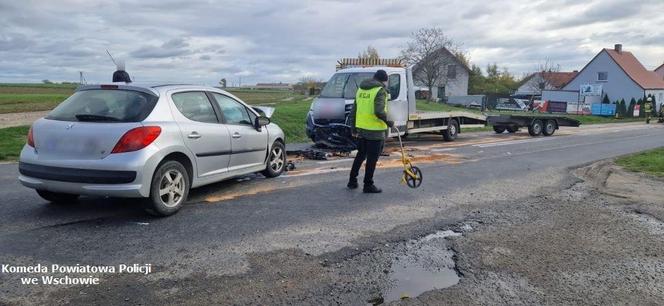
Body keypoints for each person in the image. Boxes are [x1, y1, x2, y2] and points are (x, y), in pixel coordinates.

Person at [347, 70, 393, 193]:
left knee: (360, 155)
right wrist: (390, 122)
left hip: (361, 130)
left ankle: (352, 181)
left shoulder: (361, 89)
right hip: (375, 131)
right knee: (372, 159)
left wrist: (353, 128)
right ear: (384, 80)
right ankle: (368, 185)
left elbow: (354, 111)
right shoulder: (380, 90)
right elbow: (379, 111)